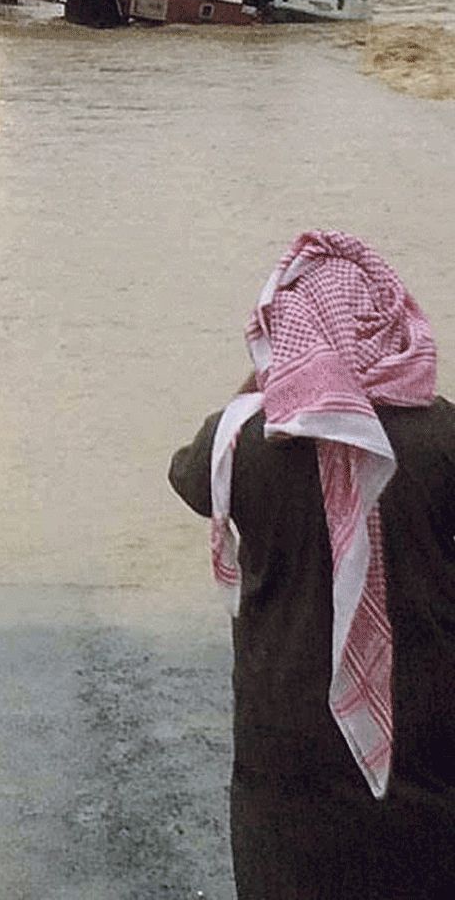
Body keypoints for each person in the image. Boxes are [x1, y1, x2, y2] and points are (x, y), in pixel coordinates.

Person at [168, 231, 455, 899]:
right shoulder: (442, 434)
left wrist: (267, 383)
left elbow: (187, 474)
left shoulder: (242, 441)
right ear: (388, 318)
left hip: (285, 744)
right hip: (424, 732)